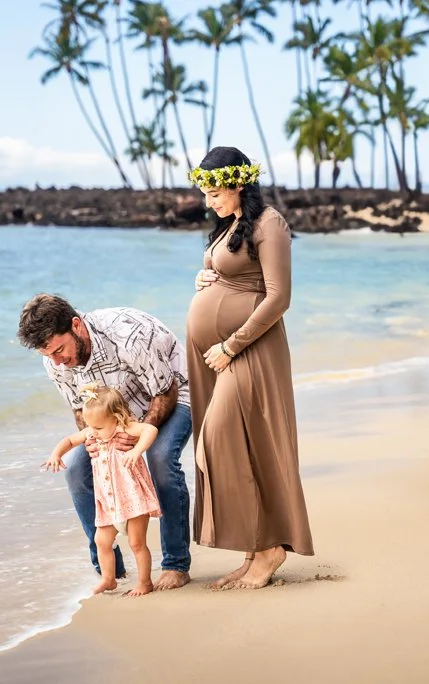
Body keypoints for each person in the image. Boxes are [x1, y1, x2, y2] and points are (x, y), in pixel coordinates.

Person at [186, 146, 314, 590]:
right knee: (239, 447)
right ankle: (254, 549)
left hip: (249, 349)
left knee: (219, 440)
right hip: (218, 353)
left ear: (239, 184)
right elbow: (233, 276)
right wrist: (205, 277)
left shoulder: (269, 223)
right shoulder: (231, 224)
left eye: (215, 193)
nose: (209, 202)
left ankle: (271, 548)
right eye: (205, 194)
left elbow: (278, 298)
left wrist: (231, 345)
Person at [17, 294, 193, 590]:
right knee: (77, 470)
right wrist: (94, 442)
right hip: (111, 417)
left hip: (172, 395)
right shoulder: (55, 361)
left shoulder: (128, 335)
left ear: (76, 325)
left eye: (59, 350)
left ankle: (176, 564)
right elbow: (80, 409)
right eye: (48, 355)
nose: (57, 361)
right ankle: (110, 571)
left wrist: (136, 436)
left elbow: (165, 391)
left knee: (160, 458)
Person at [43, 383, 160, 596]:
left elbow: (150, 429)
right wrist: (56, 454)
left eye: (98, 428)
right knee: (101, 541)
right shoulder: (92, 432)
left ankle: (145, 582)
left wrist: (137, 450)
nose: (92, 433)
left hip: (132, 499)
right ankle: (109, 579)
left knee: (136, 543)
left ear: (116, 418)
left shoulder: (124, 428)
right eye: (90, 427)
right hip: (108, 503)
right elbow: (70, 440)